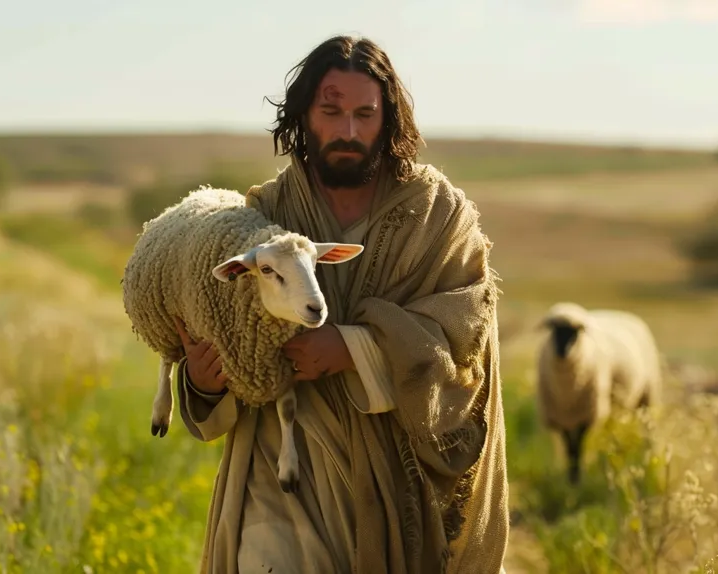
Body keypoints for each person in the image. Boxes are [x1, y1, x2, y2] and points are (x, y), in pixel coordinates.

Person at [171, 34, 510, 574]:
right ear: (305, 115)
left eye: (364, 114)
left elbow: (465, 333)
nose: (348, 131)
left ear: (389, 118)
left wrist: (356, 347)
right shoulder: (264, 214)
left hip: (391, 483)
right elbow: (222, 326)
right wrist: (205, 383)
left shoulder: (438, 217)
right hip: (278, 469)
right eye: (331, 111)